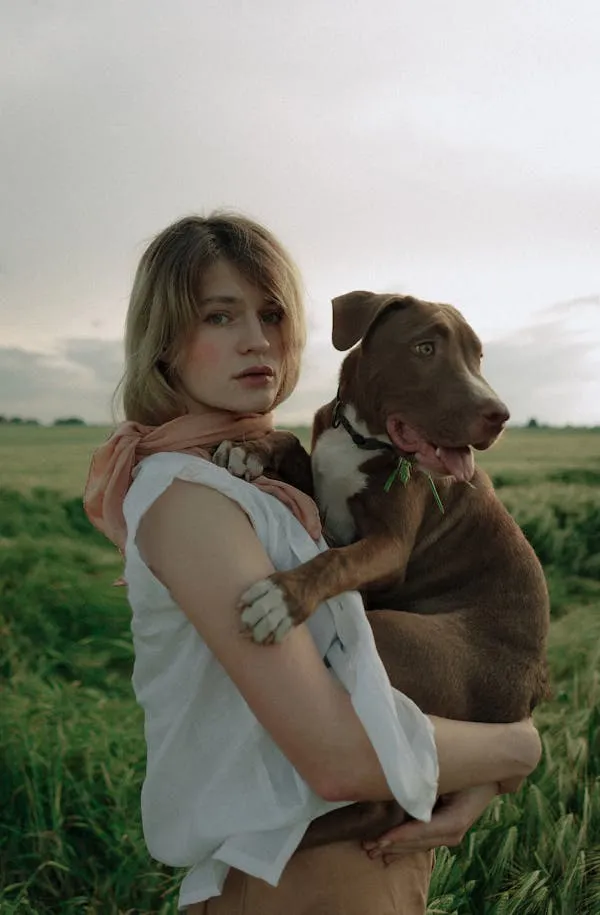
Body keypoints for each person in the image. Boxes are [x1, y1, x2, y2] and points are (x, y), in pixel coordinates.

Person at [84, 213, 542, 914]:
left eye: (273, 313)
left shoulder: (259, 476)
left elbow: (357, 663)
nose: (257, 340)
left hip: (347, 855)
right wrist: (516, 753)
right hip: (305, 871)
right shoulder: (187, 497)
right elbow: (338, 757)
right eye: (219, 316)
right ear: (164, 339)